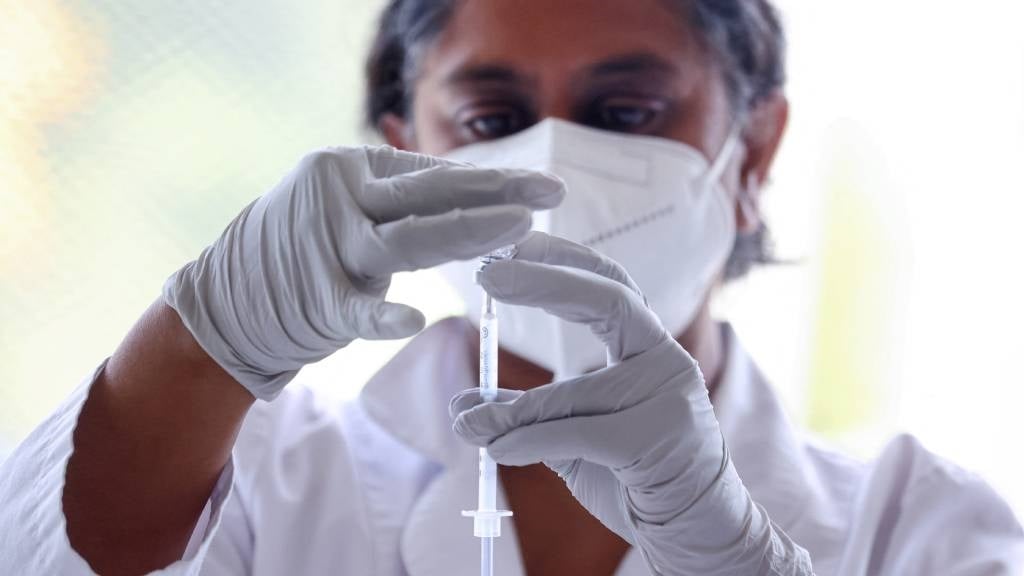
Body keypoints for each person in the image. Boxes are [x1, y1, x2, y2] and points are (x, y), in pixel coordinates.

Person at [1, 0, 1022, 574]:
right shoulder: (264, 480)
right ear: (403, 151)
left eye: (625, 112)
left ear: (753, 151)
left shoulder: (918, 525)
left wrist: (737, 560)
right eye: (490, 122)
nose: (557, 164)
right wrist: (201, 334)